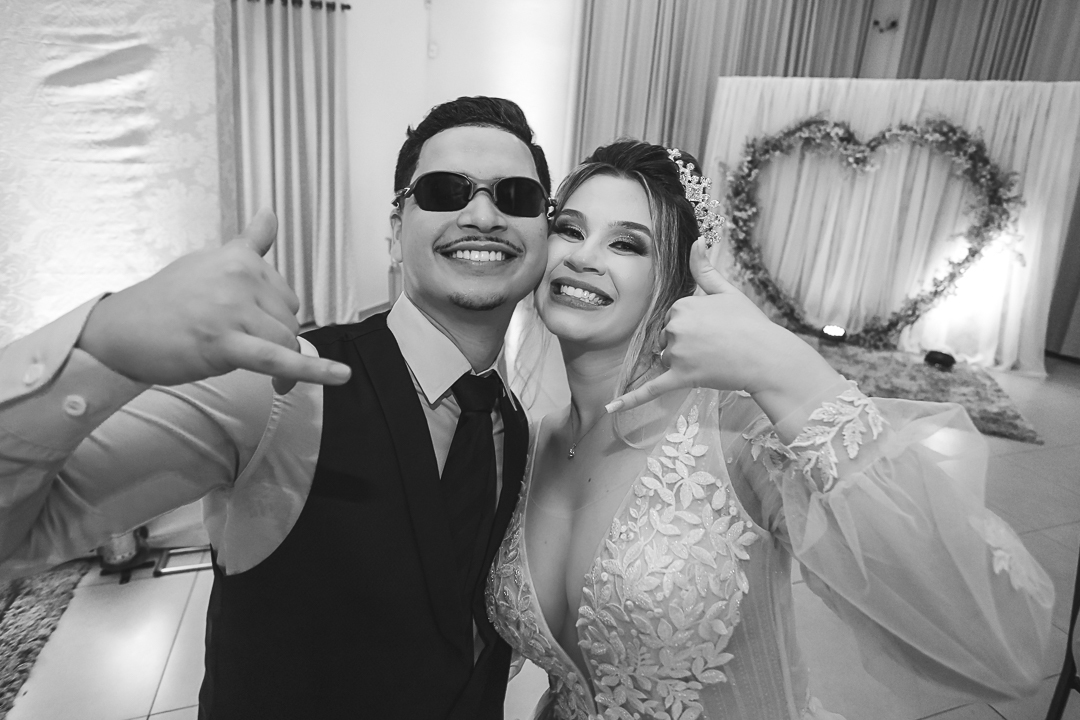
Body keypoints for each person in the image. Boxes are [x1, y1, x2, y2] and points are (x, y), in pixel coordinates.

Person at [0, 96, 552, 719]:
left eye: (517, 197)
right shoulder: (281, 386)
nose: (483, 214)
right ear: (397, 235)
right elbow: (14, 538)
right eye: (445, 190)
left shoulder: (512, 422)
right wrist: (100, 344)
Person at [485, 140, 1055, 720]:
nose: (583, 257)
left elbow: (1000, 649)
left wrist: (787, 372)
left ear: (677, 281)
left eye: (627, 243)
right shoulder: (531, 443)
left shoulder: (736, 434)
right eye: (571, 229)